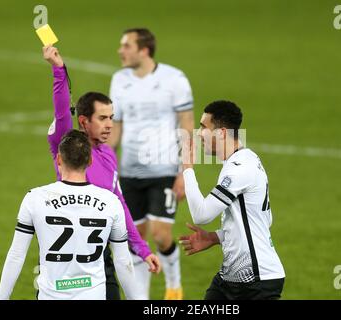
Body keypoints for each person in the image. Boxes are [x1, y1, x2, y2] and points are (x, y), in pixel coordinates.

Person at [43, 45, 160, 300]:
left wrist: (141, 248)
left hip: (101, 255)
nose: (110, 124)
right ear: (84, 121)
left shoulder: (108, 153)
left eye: (112, 117)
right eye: (103, 118)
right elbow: (62, 111)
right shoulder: (66, 144)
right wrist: (58, 69)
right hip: (65, 259)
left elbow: (119, 204)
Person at [0, 129, 144, 300]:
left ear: (59, 159)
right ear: (90, 161)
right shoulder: (111, 202)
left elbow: (16, 255)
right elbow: (123, 262)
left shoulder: (35, 198)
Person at [108, 28, 194, 300]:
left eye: (126, 46)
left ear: (144, 50)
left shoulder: (174, 79)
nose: (121, 51)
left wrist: (185, 172)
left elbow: (187, 126)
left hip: (164, 170)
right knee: (136, 237)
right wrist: (107, 167)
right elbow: (116, 126)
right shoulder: (119, 80)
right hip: (130, 173)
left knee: (160, 233)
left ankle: (174, 285)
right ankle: (141, 298)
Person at [179, 100, 286, 300]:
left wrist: (187, 168)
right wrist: (214, 237)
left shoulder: (240, 168)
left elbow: (201, 215)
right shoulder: (245, 159)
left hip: (257, 281)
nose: (199, 133)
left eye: (203, 127)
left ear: (221, 133)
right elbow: (262, 221)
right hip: (230, 278)